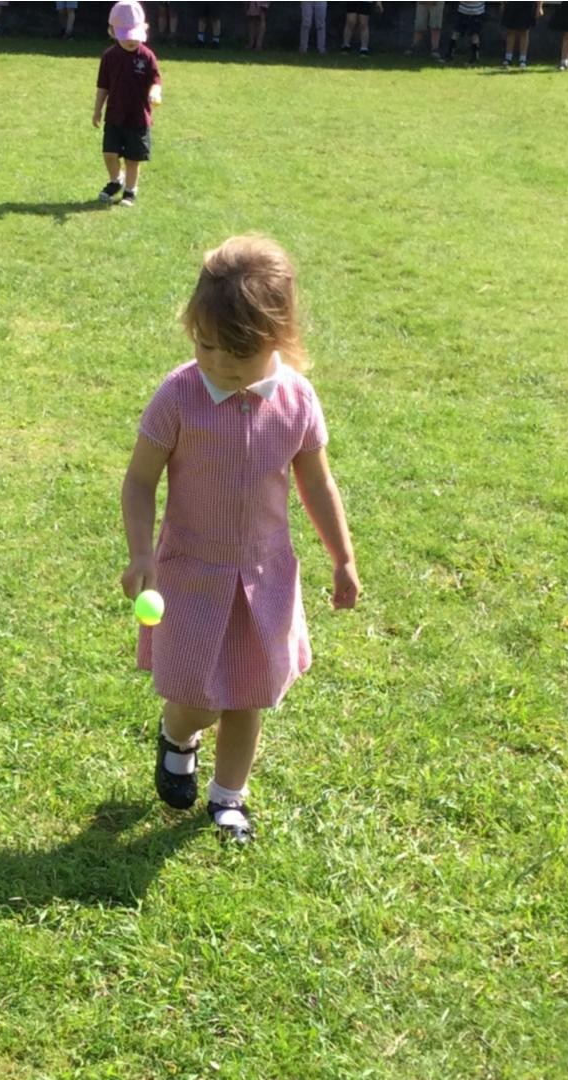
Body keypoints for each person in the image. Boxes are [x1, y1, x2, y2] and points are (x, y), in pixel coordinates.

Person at [121, 235, 359, 843]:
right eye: (205, 345)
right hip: (190, 574)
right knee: (196, 695)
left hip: (263, 576)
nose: (219, 364)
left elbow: (317, 483)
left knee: (247, 695)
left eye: (238, 353)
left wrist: (342, 557)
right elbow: (141, 480)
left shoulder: (297, 399)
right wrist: (141, 553)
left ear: (279, 339)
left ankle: (228, 798)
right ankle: (178, 733)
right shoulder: (180, 394)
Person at [93, 1, 161, 209]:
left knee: (133, 158)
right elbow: (103, 86)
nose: (131, 40)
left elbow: (156, 80)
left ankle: (130, 190)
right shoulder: (109, 57)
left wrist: (155, 92)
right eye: (126, 36)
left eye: (135, 35)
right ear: (113, 32)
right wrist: (97, 111)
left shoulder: (147, 56)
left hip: (138, 118)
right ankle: (116, 180)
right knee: (109, 154)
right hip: (115, 115)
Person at [501, 2, 543, 67]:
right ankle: (508, 58)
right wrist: (503, 3)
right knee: (510, 31)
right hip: (511, 3)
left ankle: (522, 59)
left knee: (524, 31)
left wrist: (539, 7)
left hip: (527, 4)